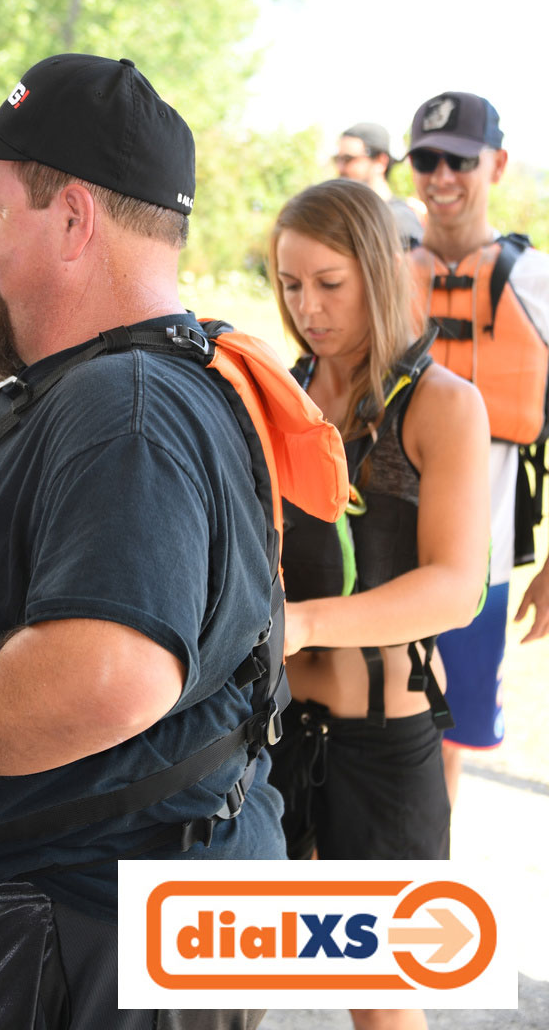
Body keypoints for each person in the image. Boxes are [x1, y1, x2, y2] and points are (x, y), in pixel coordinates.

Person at [0, 53, 345, 1030]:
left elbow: (112, 673)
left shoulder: (127, 405)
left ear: (74, 218)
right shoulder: (124, 384)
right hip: (93, 927)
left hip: (90, 940)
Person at [267, 177, 490, 1030]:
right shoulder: (275, 399)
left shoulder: (444, 406)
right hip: (273, 735)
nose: (308, 309)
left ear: (376, 272)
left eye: (329, 284)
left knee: (383, 1003)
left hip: (382, 746)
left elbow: (455, 586)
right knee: (223, 980)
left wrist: (309, 622)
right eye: (290, 285)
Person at [405, 91, 549, 803]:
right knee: (352, 727)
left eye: (459, 160)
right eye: (427, 159)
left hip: (480, 564)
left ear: (497, 163)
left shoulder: (538, 282)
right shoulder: (384, 272)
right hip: (379, 550)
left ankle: (421, 891)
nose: (442, 176)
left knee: (448, 738)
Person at [333, 122, 424, 247]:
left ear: (381, 161)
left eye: (348, 159)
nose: (340, 168)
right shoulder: (346, 216)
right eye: (337, 160)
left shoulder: (398, 219)